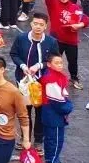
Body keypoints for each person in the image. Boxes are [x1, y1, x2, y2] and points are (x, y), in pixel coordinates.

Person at [8, 13, 58, 147]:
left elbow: (54, 60)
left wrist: (40, 65)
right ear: (31, 24)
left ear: (46, 26)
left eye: (41, 25)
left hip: (42, 81)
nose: (38, 27)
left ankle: (38, 141)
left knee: (41, 112)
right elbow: (14, 54)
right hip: (24, 80)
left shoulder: (51, 42)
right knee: (25, 111)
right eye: (35, 24)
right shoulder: (21, 38)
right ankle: (25, 138)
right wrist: (23, 66)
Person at [43, 0, 89, 90]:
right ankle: (51, 78)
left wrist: (79, 25)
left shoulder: (75, 7)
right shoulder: (53, 4)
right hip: (56, 39)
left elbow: (85, 19)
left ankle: (74, 78)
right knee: (53, 60)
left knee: (73, 61)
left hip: (71, 40)